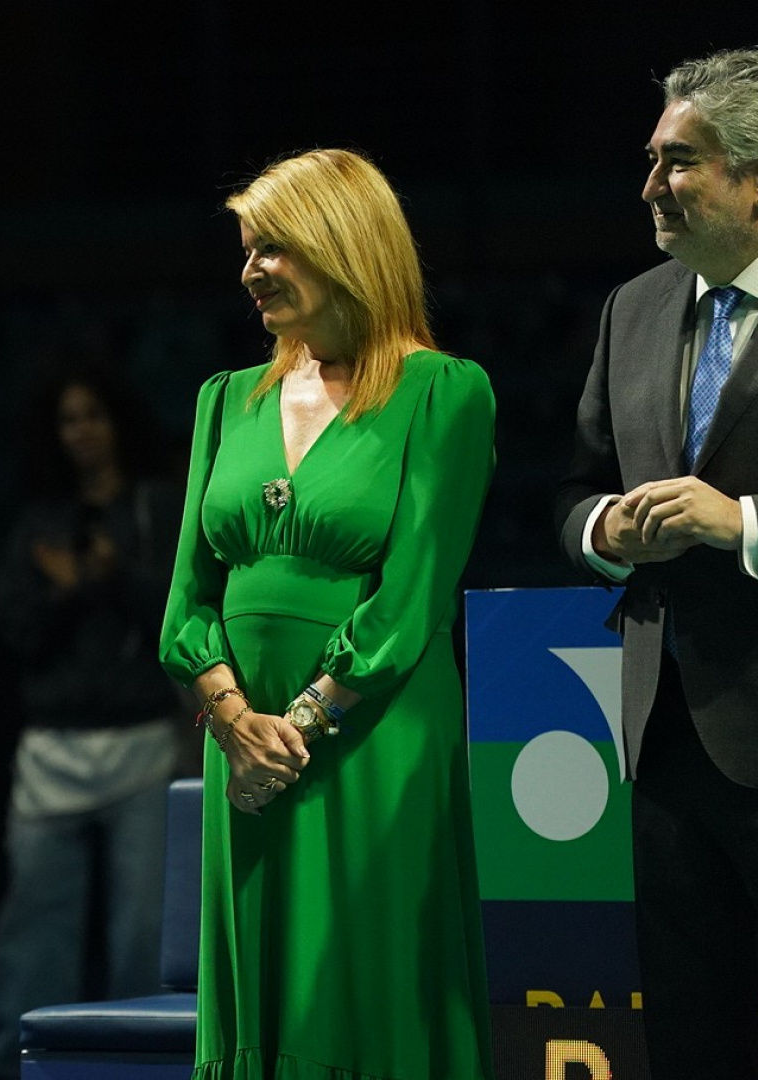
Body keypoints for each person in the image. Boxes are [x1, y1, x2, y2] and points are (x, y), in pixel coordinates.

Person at [158, 148, 496, 1079]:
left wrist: (295, 730)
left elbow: (411, 597)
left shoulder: (446, 391)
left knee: (362, 984)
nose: (250, 271)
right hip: (241, 745)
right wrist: (236, 723)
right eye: (246, 250)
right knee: (260, 993)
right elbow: (187, 598)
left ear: (343, 244)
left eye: (271, 248)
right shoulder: (224, 399)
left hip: (370, 736)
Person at [555, 47, 758, 1080]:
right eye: (653, 159)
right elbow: (575, 490)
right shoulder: (633, 308)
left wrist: (742, 522)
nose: (651, 184)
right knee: (692, 1044)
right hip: (663, 743)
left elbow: (736, 518)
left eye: (680, 160)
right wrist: (607, 531)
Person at [0, 370, 185, 1080]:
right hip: (52, 742)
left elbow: (182, 614)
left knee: (143, 925)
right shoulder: (40, 519)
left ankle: (149, 1056)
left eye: (93, 416)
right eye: (69, 419)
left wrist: (110, 577)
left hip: (142, 739)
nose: (81, 432)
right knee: (34, 918)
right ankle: (11, 1052)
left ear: (120, 423)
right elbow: (11, 628)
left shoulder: (156, 508)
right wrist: (67, 593)